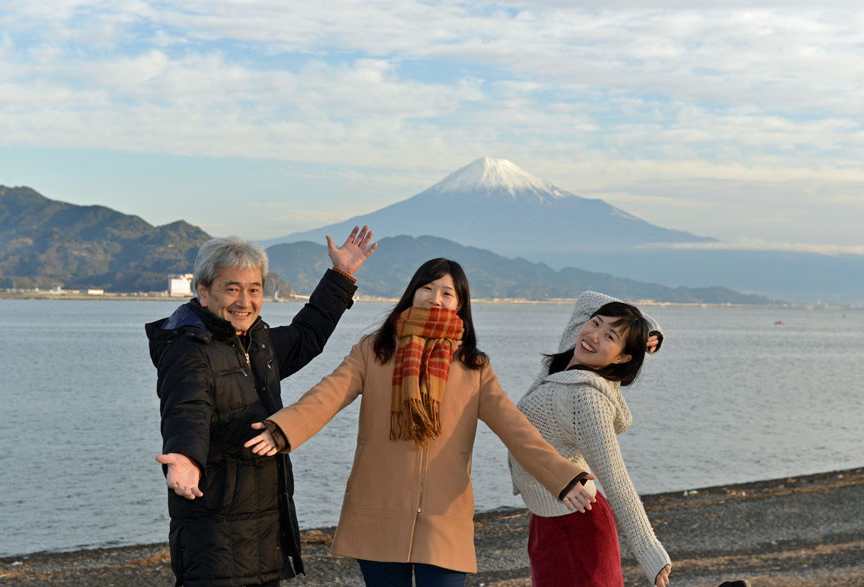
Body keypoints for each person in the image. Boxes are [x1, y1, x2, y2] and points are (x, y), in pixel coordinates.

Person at [244, 258, 597, 587]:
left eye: (447, 293)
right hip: (378, 511)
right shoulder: (374, 350)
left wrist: (563, 477)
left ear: (460, 304)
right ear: (412, 293)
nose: (435, 298)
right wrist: (282, 429)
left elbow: (514, 427)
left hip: (444, 518)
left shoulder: (474, 367)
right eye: (427, 288)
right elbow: (327, 396)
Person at [146, 227, 377, 586]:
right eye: (232, 288)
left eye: (254, 289)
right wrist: (185, 458)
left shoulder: (258, 344)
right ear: (203, 292)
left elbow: (307, 334)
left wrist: (341, 276)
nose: (244, 301)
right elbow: (187, 408)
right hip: (215, 530)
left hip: (263, 526)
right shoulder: (188, 350)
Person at [508, 291, 672, 587]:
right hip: (548, 520)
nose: (593, 335)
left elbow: (617, 479)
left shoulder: (586, 398)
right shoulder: (565, 361)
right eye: (595, 323)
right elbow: (587, 300)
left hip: (576, 523)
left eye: (610, 337)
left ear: (622, 357)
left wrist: (649, 551)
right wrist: (647, 327)